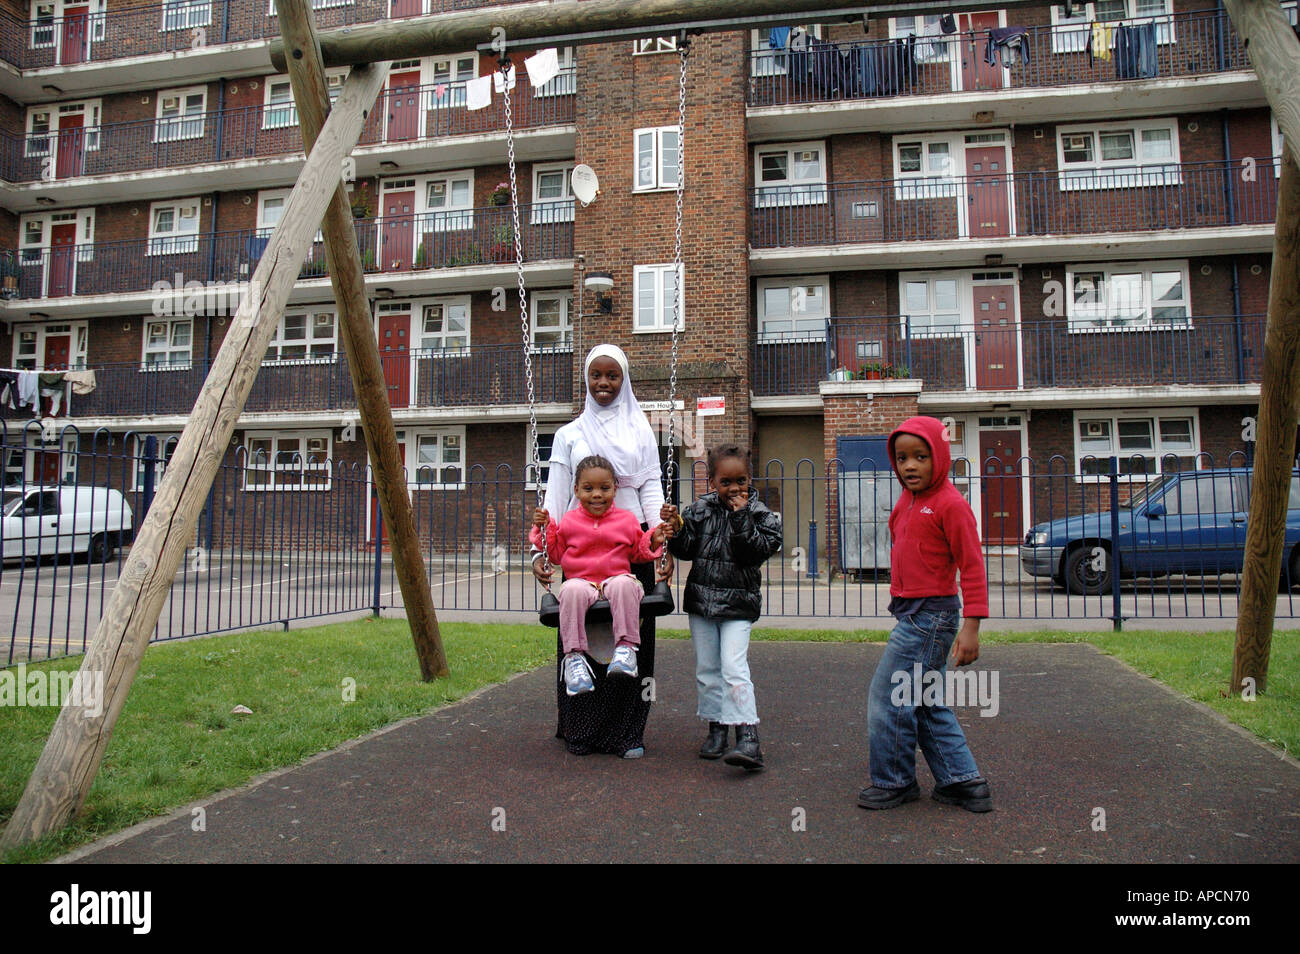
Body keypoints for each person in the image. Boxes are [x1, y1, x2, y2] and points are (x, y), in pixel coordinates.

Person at [532, 344, 671, 759]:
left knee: (629, 642)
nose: (604, 383)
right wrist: (541, 551)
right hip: (582, 544)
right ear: (586, 380)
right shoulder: (569, 434)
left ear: (624, 380)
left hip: (631, 544)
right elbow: (556, 497)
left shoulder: (640, 429)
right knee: (583, 636)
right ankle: (581, 730)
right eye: (596, 376)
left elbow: (649, 487)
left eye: (613, 376)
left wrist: (660, 538)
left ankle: (626, 732)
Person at [858, 415, 993, 812]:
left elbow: (972, 567)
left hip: (930, 618)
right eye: (901, 458)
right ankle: (963, 782)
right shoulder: (907, 501)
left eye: (921, 456)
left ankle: (895, 781)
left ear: (941, 457)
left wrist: (972, 628)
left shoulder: (951, 504)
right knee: (925, 700)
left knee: (888, 699)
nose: (910, 466)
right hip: (913, 614)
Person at [660, 443, 783, 771]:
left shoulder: (759, 514)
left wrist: (741, 516)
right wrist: (675, 530)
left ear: (749, 478)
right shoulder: (700, 510)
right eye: (726, 482)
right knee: (707, 669)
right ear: (712, 482)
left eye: (741, 481)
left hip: (739, 604)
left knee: (733, 667)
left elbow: (754, 552)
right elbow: (686, 550)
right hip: (702, 602)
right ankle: (716, 728)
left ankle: (748, 736)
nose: (734, 489)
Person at [531, 455, 668, 695]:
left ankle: (626, 650)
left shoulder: (626, 520)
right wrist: (544, 529)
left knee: (625, 585)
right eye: (588, 488)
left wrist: (654, 539)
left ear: (615, 489)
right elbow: (556, 554)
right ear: (576, 490)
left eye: (604, 488)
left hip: (616, 579)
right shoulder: (570, 521)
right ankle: (574, 657)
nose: (597, 494)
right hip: (582, 583)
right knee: (570, 589)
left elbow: (638, 551)